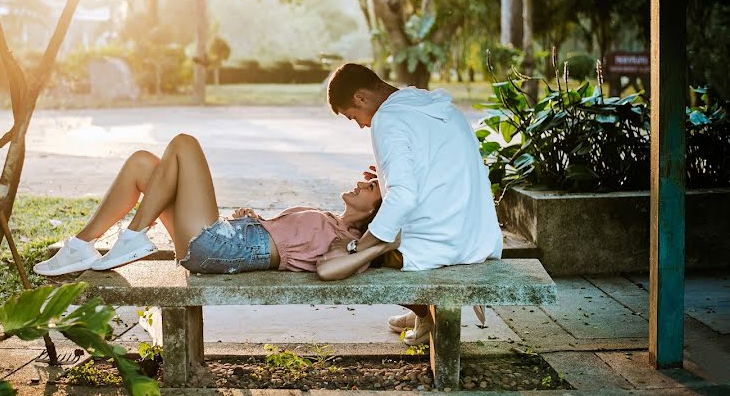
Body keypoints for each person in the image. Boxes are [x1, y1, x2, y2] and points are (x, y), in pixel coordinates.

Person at [33, 133, 394, 278]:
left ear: (375, 211)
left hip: (220, 248)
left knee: (184, 144)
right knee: (144, 162)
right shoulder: (331, 219)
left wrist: (380, 244)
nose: (363, 181)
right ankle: (81, 245)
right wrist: (255, 220)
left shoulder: (345, 239)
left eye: (372, 186)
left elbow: (329, 270)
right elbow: (282, 240)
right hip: (224, 239)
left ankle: (134, 235)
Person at [326, 63, 503, 345]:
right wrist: (385, 180)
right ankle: (423, 311)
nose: (360, 124)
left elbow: (404, 196)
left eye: (353, 117)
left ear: (360, 98)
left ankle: (424, 313)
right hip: (474, 235)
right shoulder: (431, 104)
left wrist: (358, 248)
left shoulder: (387, 118)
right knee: (377, 228)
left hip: (439, 243)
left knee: (360, 253)